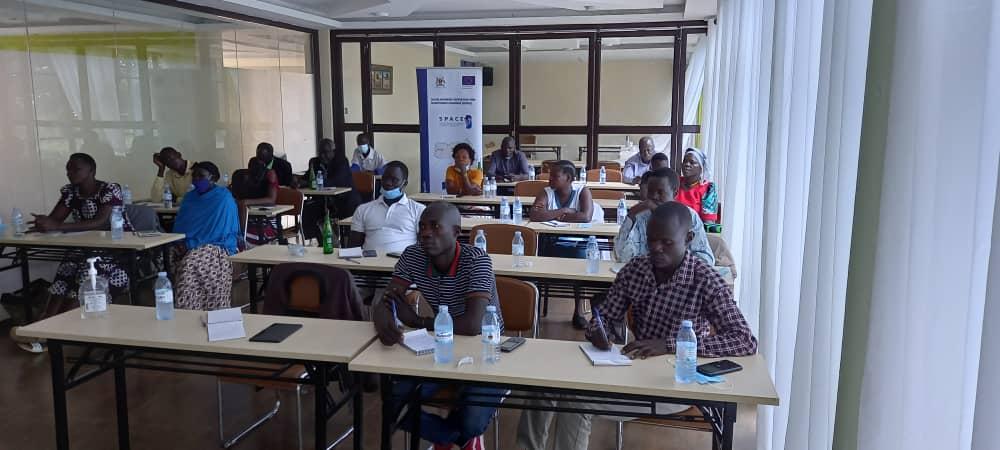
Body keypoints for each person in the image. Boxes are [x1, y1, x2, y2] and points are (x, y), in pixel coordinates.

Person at [517, 202, 757, 450]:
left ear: (688, 239)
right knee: (543, 384)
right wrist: (599, 330)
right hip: (632, 367)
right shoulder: (636, 269)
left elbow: (744, 340)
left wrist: (669, 345)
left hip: (675, 381)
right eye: (651, 240)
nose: (656, 248)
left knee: (577, 400)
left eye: (666, 242)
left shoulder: (705, 279)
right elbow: (605, 316)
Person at [372, 202, 504, 450]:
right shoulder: (413, 255)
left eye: (435, 227)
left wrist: (416, 321)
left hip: (486, 348)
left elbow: (472, 325)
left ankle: (461, 434)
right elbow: (386, 299)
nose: (425, 233)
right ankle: (452, 437)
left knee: (472, 422)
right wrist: (383, 322)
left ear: (455, 232)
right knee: (393, 401)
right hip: (440, 345)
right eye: (422, 227)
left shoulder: (477, 260)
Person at [28, 153, 133, 327]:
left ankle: (63, 327)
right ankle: (45, 325)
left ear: (92, 170)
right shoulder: (71, 191)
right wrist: (44, 222)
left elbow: (101, 222)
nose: (70, 173)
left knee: (84, 281)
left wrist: (56, 226)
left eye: (76, 169)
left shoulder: (109, 189)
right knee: (64, 277)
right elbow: (56, 220)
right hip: (85, 248)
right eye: (68, 169)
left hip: (117, 251)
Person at [172, 161, 240, 310]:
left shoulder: (223, 199)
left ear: (213, 178)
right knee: (163, 256)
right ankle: (182, 315)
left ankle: (195, 311)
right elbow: (180, 225)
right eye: (194, 176)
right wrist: (179, 242)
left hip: (216, 245)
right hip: (187, 243)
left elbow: (218, 232)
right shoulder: (190, 198)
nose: (196, 179)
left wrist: (190, 244)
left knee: (191, 264)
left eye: (201, 176)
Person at [615, 168, 714, 265]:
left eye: (660, 192)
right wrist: (631, 215)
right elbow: (621, 256)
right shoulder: (640, 216)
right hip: (645, 273)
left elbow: (706, 260)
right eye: (650, 191)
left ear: (675, 193)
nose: (654, 196)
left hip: (681, 274)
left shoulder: (689, 217)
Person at [349, 161, 425, 254]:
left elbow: (424, 246)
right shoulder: (363, 209)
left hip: (403, 261)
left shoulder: (418, 210)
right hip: (369, 261)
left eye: (394, 180)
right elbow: (353, 247)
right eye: (385, 178)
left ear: (404, 184)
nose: (388, 183)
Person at [302, 139, 361, 241]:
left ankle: (346, 239)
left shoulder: (341, 162)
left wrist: (310, 183)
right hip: (324, 200)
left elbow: (335, 181)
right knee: (308, 208)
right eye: (320, 152)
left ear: (333, 152)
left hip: (344, 198)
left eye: (326, 152)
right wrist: (298, 181)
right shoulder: (314, 162)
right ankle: (320, 239)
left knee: (348, 208)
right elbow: (307, 177)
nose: (322, 156)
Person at [528, 160, 602, 223]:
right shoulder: (546, 192)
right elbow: (535, 216)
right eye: (550, 175)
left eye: (555, 176)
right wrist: (564, 210)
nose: (550, 179)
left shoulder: (582, 191)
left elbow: (586, 217)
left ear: (568, 178)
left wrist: (553, 216)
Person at [231, 159, 279, 247]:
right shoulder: (240, 175)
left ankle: (243, 237)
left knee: (241, 238)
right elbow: (235, 195)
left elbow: (272, 200)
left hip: (265, 220)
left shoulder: (270, 175)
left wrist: (247, 202)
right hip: (246, 217)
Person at [677, 147, 719, 224]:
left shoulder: (708, 189)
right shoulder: (675, 182)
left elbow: (708, 222)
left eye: (692, 162)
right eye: (685, 161)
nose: (687, 164)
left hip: (695, 229)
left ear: (701, 168)